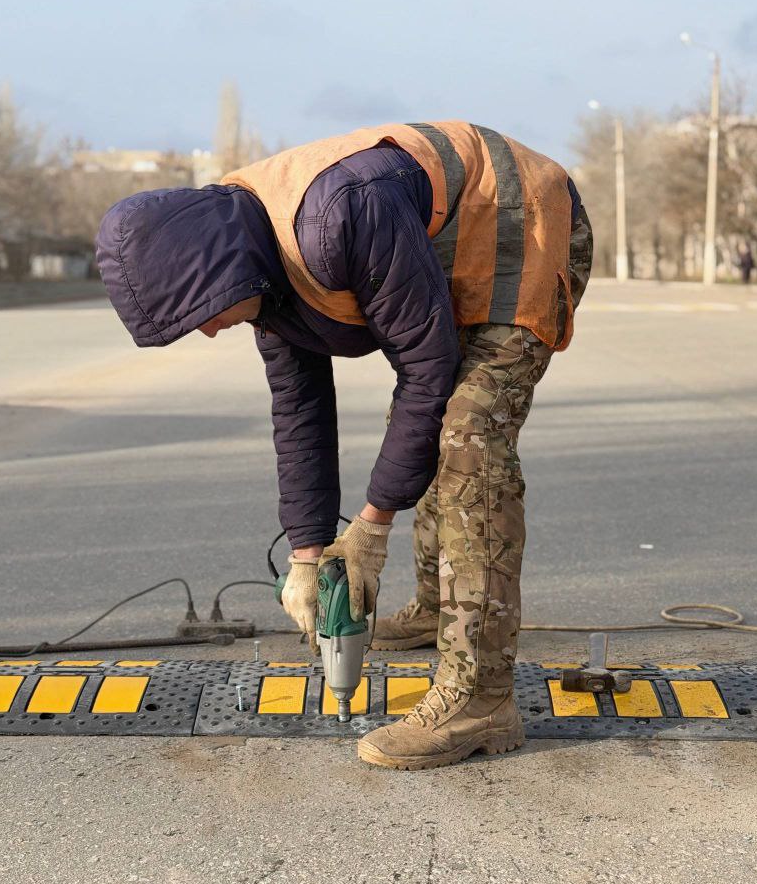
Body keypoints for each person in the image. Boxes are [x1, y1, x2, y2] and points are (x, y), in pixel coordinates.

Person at [95, 121, 593, 770]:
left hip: (522, 221)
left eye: (201, 315)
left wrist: (371, 529)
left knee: (468, 432)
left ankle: (481, 696)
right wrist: (307, 553)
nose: (211, 332)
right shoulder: (260, 264)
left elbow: (426, 366)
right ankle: (438, 608)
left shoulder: (341, 214)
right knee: (428, 423)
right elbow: (299, 412)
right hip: (445, 242)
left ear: (217, 269)